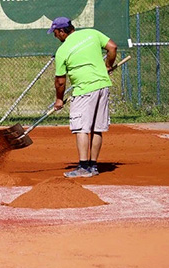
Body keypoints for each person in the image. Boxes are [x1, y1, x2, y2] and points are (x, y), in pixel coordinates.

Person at [48, 17, 117, 178]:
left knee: (81, 128)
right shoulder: (92, 33)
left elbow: (60, 81)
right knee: (97, 128)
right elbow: (112, 48)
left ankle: (83, 167)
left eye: (56, 33)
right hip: (102, 86)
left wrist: (59, 99)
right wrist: (108, 65)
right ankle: (93, 166)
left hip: (84, 90)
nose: (55, 36)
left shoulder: (62, 51)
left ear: (63, 31)